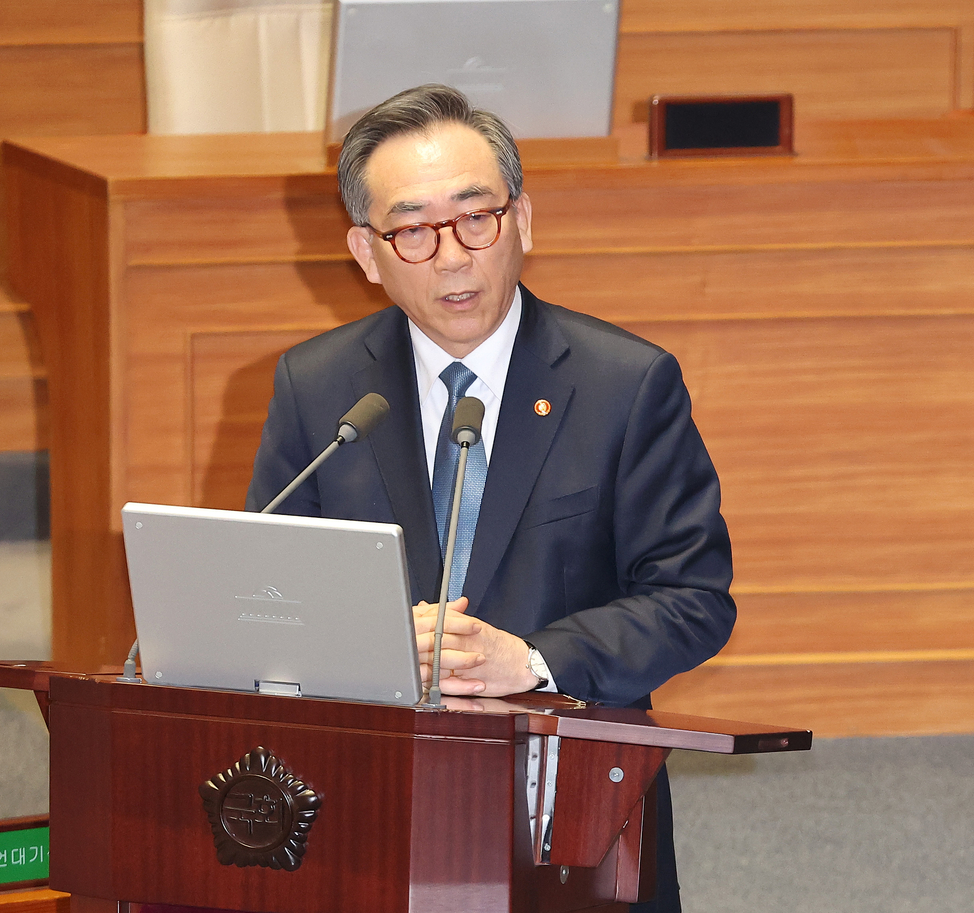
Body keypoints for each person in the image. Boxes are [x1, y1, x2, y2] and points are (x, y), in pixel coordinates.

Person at [246, 84, 736, 912]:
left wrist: (532, 659)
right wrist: (372, 640)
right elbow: (269, 595)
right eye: (413, 230)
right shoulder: (317, 386)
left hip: (570, 802)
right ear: (366, 253)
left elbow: (693, 599)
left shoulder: (625, 385)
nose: (452, 256)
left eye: (477, 217)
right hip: (366, 794)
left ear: (523, 222)